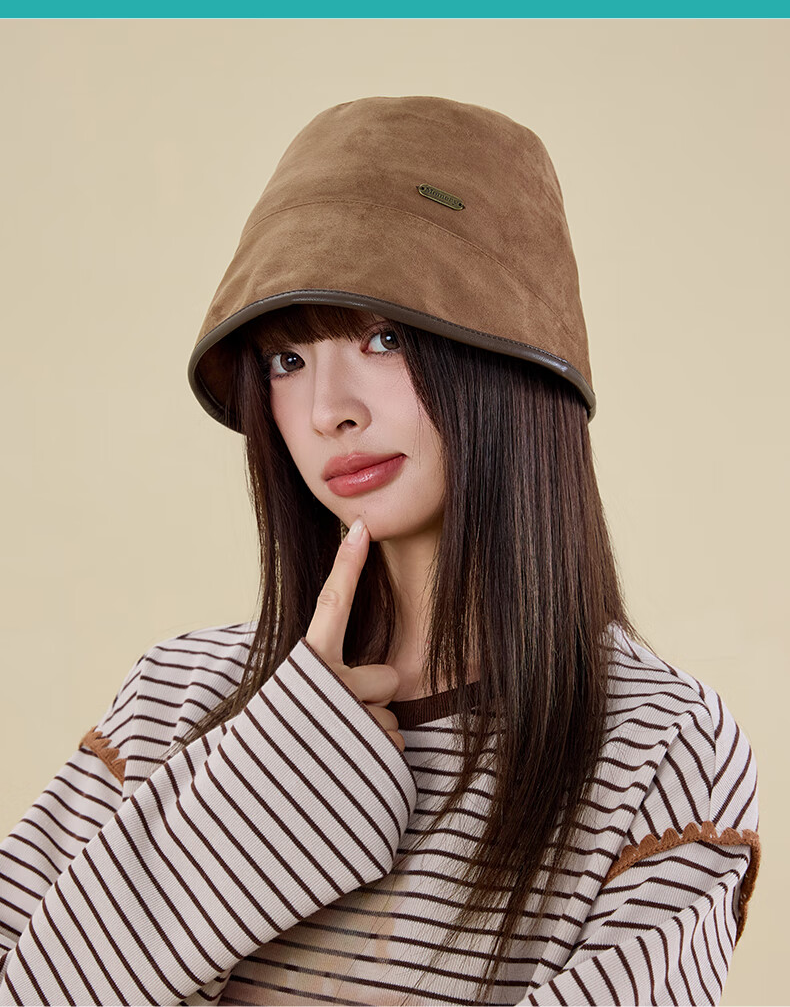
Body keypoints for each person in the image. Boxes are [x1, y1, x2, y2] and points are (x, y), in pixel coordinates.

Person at [0, 96, 760, 1006]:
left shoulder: (657, 750)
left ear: (514, 361)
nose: (329, 409)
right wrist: (264, 791)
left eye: (384, 338)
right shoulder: (174, 699)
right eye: (286, 361)